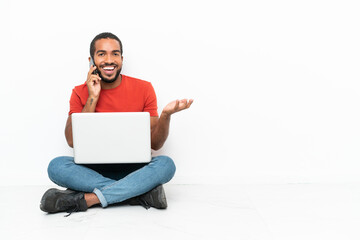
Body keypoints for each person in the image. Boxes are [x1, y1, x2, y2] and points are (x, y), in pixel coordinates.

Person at [40, 32, 193, 216]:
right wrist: (93, 97)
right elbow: (72, 141)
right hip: (91, 172)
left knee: (166, 164)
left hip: (135, 170)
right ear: (91, 60)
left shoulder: (144, 88)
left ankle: (88, 200)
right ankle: (138, 194)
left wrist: (166, 116)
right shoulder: (80, 92)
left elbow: (155, 144)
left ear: (121, 58)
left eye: (115, 54)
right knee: (56, 166)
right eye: (101, 54)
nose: (109, 60)